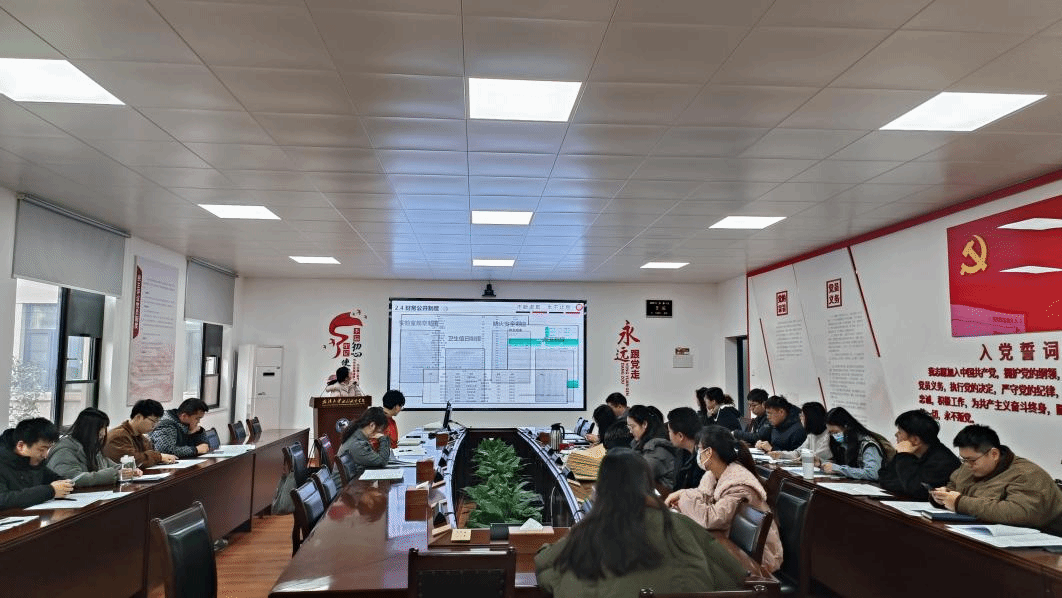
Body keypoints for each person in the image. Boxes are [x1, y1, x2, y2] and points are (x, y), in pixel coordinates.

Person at [535, 449, 747, 597]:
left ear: (600, 488)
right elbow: (734, 575)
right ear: (647, 483)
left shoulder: (587, 531)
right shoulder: (679, 524)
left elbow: (544, 564)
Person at [665, 425, 783, 572]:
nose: (697, 454)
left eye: (699, 449)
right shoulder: (714, 475)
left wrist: (684, 497)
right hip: (730, 545)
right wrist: (683, 494)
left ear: (709, 452)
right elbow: (702, 495)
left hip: (755, 560)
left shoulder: (738, 484)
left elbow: (712, 519)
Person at [930, 425, 1062, 533]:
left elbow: (1020, 512)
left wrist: (960, 503)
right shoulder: (969, 467)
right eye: (964, 459)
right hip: (977, 532)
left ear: (994, 454)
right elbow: (954, 487)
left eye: (972, 460)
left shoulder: (1026, 474)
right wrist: (943, 496)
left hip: (1040, 543)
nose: (967, 465)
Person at [878, 410, 960, 500]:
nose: (896, 434)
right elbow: (883, 476)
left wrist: (904, 456)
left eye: (900, 432)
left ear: (915, 440)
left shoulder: (944, 462)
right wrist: (904, 484)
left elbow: (917, 491)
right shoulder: (906, 453)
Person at [46, 407, 140, 486]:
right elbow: (73, 478)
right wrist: (115, 474)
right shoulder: (64, 450)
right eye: (101, 428)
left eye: (105, 428)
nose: (103, 433)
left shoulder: (91, 447)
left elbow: (110, 465)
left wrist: (127, 470)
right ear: (88, 429)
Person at [0, 417, 73, 509]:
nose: (45, 455)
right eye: (41, 449)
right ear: (21, 446)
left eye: (47, 449)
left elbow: (55, 479)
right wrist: (50, 491)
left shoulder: (35, 462)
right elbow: (3, 499)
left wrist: (65, 485)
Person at [820, 407, 895, 480]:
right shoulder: (843, 444)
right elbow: (843, 464)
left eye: (836, 432)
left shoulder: (868, 444)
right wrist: (825, 464)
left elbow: (872, 473)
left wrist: (839, 469)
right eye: (831, 433)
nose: (833, 436)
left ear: (847, 427)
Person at [104, 399, 177, 467]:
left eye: (157, 422)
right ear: (138, 417)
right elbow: (134, 461)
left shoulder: (142, 437)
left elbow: (147, 457)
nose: (155, 425)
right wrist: (159, 457)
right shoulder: (118, 436)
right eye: (153, 421)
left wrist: (160, 458)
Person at [627, 405, 677, 490]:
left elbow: (638, 477)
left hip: (664, 495)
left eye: (633, 426)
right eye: (629, 427)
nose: (630, 431)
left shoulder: (656, 450)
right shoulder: (640, 444)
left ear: (644, 424)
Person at [338, 407, 393, 479]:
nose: (381, 433)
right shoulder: (358, 444)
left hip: (353, 480)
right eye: (380, 430)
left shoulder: (357, 433)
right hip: (346, 485)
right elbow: (382, 461)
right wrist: (383, 438)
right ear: (372, 425)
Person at [666, 407, 704, 491]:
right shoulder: (683, 453)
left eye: (669, 431)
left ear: (680, 436)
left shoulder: (704, 461)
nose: (669, 435)